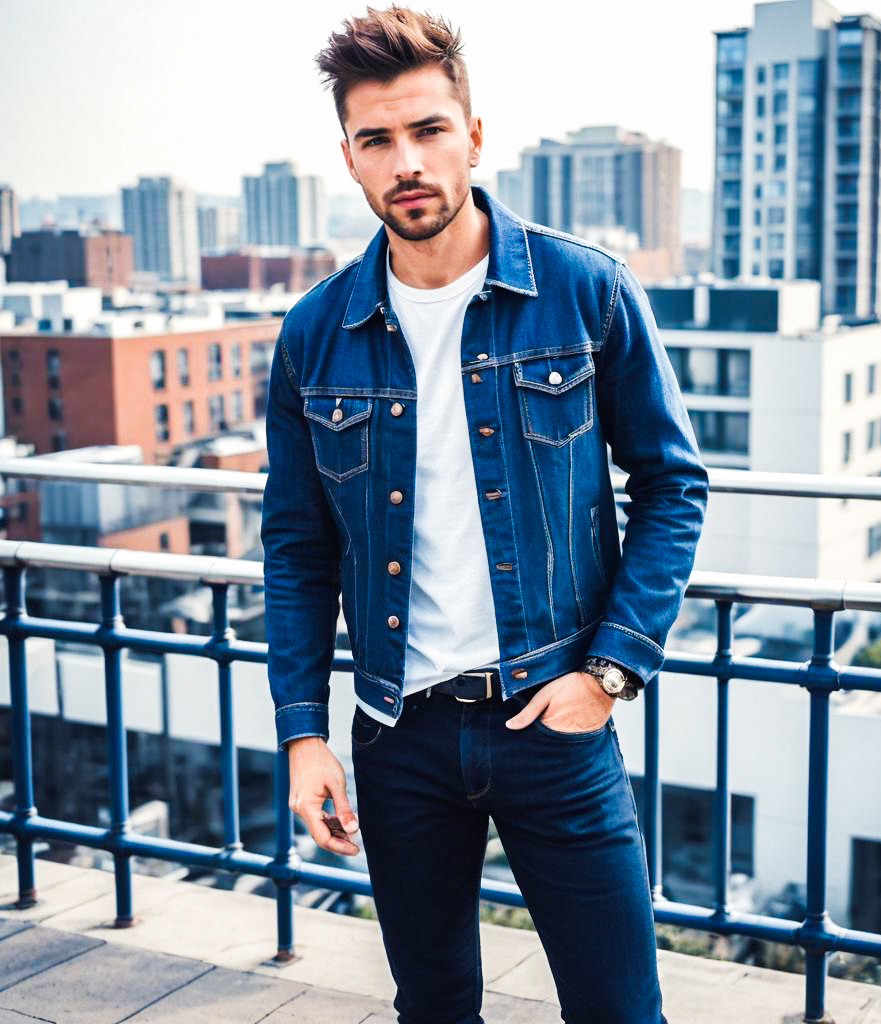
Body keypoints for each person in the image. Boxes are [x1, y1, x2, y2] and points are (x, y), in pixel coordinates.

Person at [260, 6, 708, 1022]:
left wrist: (607, 673)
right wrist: (302, 732)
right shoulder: (314, 333)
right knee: (434, 1005)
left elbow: (672, 481)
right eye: (377, 139)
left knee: (619, 1009)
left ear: (473, 133)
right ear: (349, 157)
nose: (405, 160)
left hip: (553, 719)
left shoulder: (583, 289)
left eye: (426, 130)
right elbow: (296, 545)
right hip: (396, 732)